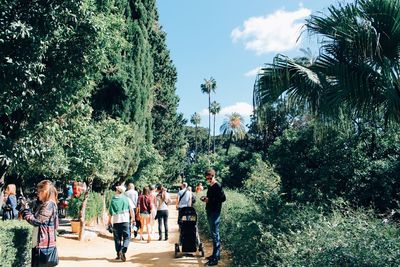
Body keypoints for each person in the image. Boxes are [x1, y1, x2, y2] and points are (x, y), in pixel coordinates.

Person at [20, 180, 59, 267]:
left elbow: (36, 221)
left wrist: (25, 211)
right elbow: (55, 225)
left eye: (39, 191)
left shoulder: (48, 204)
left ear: (44, 192)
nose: (37, 194)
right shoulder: (50, 204)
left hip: (44, 246)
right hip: (45, 244)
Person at [201, 169, 226, 266]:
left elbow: (223, 199)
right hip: (210, 210)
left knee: (215, 234)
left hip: (215, 212)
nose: (208, 179)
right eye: (207, 178)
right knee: (214, 234)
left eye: (210, 178)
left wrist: (209, 200)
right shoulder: (210, 186)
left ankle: (215, 259)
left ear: (213, 176)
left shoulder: (218, 185)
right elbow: (211, 198)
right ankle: (216, 255)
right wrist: (206, 199)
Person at [108, 185, 135, 262]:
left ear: (117, 191)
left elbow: (110, 212)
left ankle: (118, 254)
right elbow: (131, 210)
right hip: (125, 221)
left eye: (116, 189)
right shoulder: (127, 199)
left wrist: (109, 221)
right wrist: (133, 219)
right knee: (127, 237)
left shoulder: (113, 200)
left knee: (117, 238)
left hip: (116, 222)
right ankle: (123, 250)